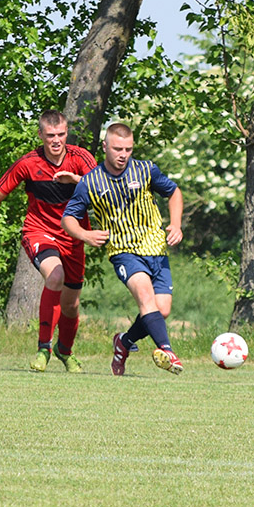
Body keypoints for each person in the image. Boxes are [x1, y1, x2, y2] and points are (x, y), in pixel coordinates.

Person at [0, 110, 97, 372]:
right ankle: (44, 349)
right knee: (55, 277)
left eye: (61, 134)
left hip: (74, 237)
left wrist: (76, 180)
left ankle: (66, 351)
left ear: (66, 134)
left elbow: (104, 189)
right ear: (40, 134)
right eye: (50, 135)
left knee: (71, 305)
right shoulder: (28, 163)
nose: (56, 140)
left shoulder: (81, 158)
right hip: (39, 231)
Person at [61, 123, 185, 376]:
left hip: (156, 248)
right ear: (105, 147)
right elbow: (68, 219)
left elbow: (173, 192)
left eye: (128, 149)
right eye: (117, 149)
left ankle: (124, 342)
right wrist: (84, 234)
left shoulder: (146, 169)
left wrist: (176, 224)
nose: (123, 154)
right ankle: (167, 350)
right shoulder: (90, 182)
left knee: (162, 310)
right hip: (124, 250)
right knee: (144, 295)